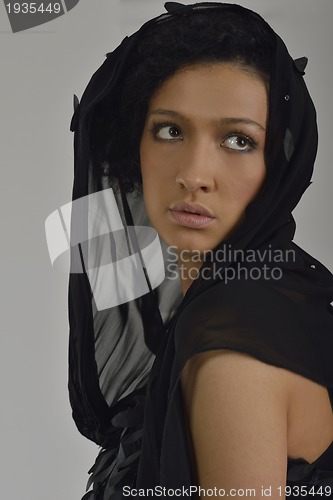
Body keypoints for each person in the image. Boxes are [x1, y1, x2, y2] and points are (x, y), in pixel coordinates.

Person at [68, 2, 333, 499]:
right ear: (133, 145)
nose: (193, 174)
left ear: (277, 164)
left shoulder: (230, 350)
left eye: (237, 140)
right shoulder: (262, 299)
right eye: (170, 130)